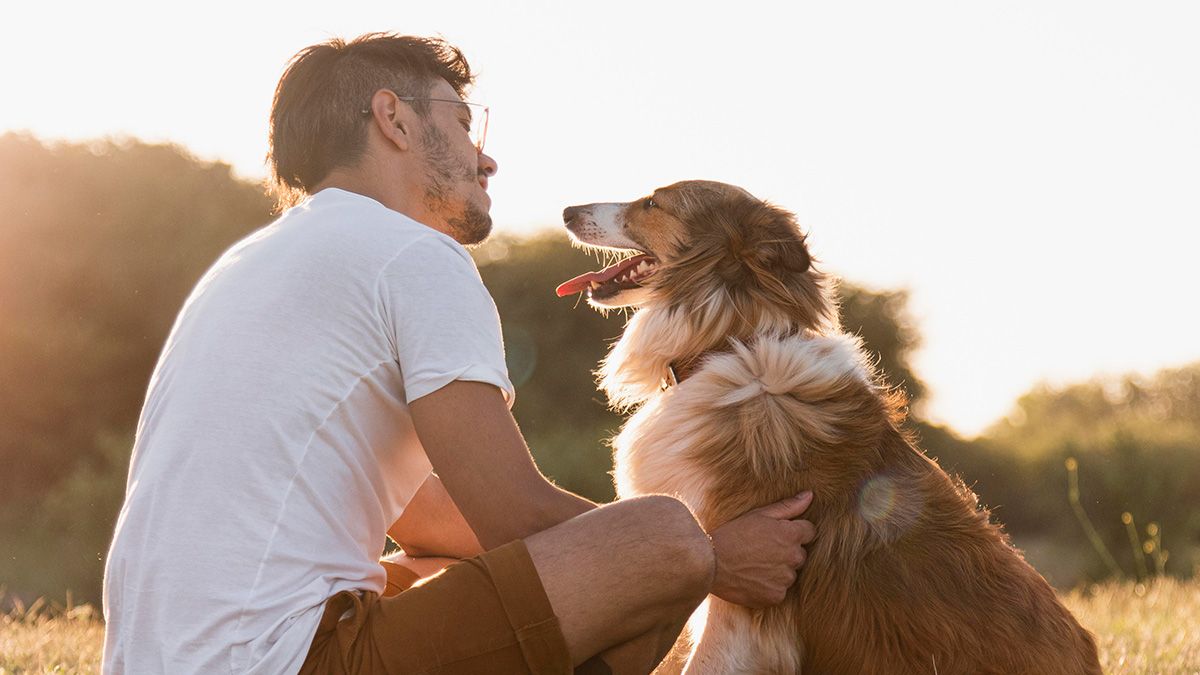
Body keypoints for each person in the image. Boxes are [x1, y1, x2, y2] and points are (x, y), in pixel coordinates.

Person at [101, 33, 816, 675]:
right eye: (464, 124)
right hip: (282, 660)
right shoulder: (413, 255)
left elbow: (421, 517)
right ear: (395, 120)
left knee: (435, 566)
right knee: (663, 533)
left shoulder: (256, 261)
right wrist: (714, 557)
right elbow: (512, 511)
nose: (487, 157)